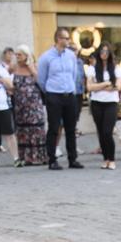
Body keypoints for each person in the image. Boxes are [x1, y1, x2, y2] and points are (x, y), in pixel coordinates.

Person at [37, 28, 85, 171]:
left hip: (69, 95)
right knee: (53, 128)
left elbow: (74, 74)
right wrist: (50, 92)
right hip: (54, 95)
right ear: (58, 39)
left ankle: (73, 159)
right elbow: (41, 79)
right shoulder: (46, 57)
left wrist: (72, 90)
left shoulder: (71, 56)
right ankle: (52, 160)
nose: (68, 41)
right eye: (66, 38)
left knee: (71, 129)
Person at [86, 42, 121, 169]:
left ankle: (112, 159)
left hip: (111, 103)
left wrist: (100, 86)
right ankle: (105, 159)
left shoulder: (115, 68)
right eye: (102, 51)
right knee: (101, 132)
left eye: (107, 52)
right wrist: (105, 84)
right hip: (97, 103)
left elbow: (117, 86)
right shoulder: (92, 68)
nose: (104, 54)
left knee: (108, 131)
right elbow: (90, 87)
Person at [11, 45, 46, 166]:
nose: (17, 57)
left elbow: (41, 82)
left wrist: (31, 68)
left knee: (36, 129)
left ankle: (38, 156)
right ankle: (25, 157)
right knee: (22, 129)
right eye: (16, 55)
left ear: (26, 55)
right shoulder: (14, 67)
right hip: (20, 104)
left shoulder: (34, 66)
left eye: (19, 55)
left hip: (34, 103)